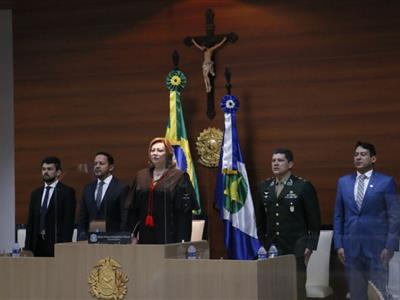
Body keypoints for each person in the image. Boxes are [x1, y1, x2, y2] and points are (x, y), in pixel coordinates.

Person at [333, 141, 400, 300]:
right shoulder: (343, 182)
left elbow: (395, 216)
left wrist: (390, 246)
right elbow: (338, 216)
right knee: (356, 294)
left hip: (377, 248)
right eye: (356, 154)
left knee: (377, 293)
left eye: (363, 154)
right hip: (351, 248)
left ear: (373, 159)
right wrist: (339, 244)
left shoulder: (386, 182)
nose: (358, 157)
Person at [255, 148, 321, 300]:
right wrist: (263, 244)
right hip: (271, 248)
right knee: (273, 288)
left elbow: (314, 221)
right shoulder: (264, 187)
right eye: (273, 160)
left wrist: (310, 246)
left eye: (280, 160)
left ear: (290, 164)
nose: (276, 163)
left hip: (296, 247)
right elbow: (260, 221)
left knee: (296, 289)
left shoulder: (303, 186)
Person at [123, 137, 198, 244]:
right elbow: (133, 209)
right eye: (152, 150)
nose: (155, 153)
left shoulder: (179, 177)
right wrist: (132, 235)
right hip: (145, 234)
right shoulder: (141, 176)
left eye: (160, 150)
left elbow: (183, 215)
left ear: (168, 154)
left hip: (170, 235)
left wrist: (182, 240)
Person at [25, 156, 76, 257]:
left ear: (58, 172)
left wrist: (64, 247)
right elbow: (30, 222)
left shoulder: (66, 192)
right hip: (37, 245)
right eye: (43, 169)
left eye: (49, 169)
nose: (46, 172)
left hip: (55, 244)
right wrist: (27, 247)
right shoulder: (36, 194)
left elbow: (68, 223)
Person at [77, 152, 129, 240]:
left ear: (111, 167)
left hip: (113, 240)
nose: (97, 166)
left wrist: (122, 239)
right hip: (91, 240)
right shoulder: (88, 188)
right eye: (95, 164)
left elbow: (125, 218)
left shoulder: (121, 188)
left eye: (101, 163)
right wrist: (81, 236)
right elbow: (82, 216)